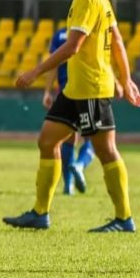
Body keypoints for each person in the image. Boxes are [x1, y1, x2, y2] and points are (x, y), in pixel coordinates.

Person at [3, 0, 140, 232]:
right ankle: (40, 214)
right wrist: (126, 79)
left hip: (91, 88)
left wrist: (35, 71)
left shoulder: (87, 0)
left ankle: (124, 218)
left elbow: (72, 46)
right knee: (47, 140)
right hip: (74, 90)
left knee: (106, 152)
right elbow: (116, 41)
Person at [43, 26, 96, 196]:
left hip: (65, 91)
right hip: (87, 89)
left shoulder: (59, 34)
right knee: (93, 138)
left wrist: (47, 90)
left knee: (68, 139)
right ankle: (79, 165)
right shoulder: (88, 32)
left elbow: (53, 63)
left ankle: (68, 185)